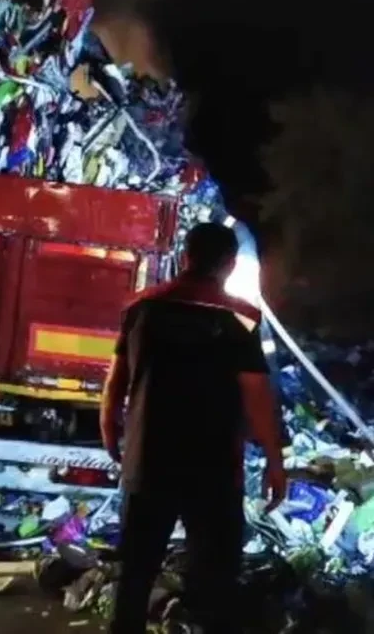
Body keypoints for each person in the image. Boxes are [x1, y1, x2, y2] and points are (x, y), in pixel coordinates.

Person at [101, 222, 288, 634]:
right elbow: (256, 395)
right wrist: (275, 462)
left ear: (185, 256)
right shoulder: (241, 318)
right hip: (214, 468)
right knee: (214, 580)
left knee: (135, 573)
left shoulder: (140, 307)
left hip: (149, 461)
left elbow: (116, 381)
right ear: (230, 264)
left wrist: (111, 431)